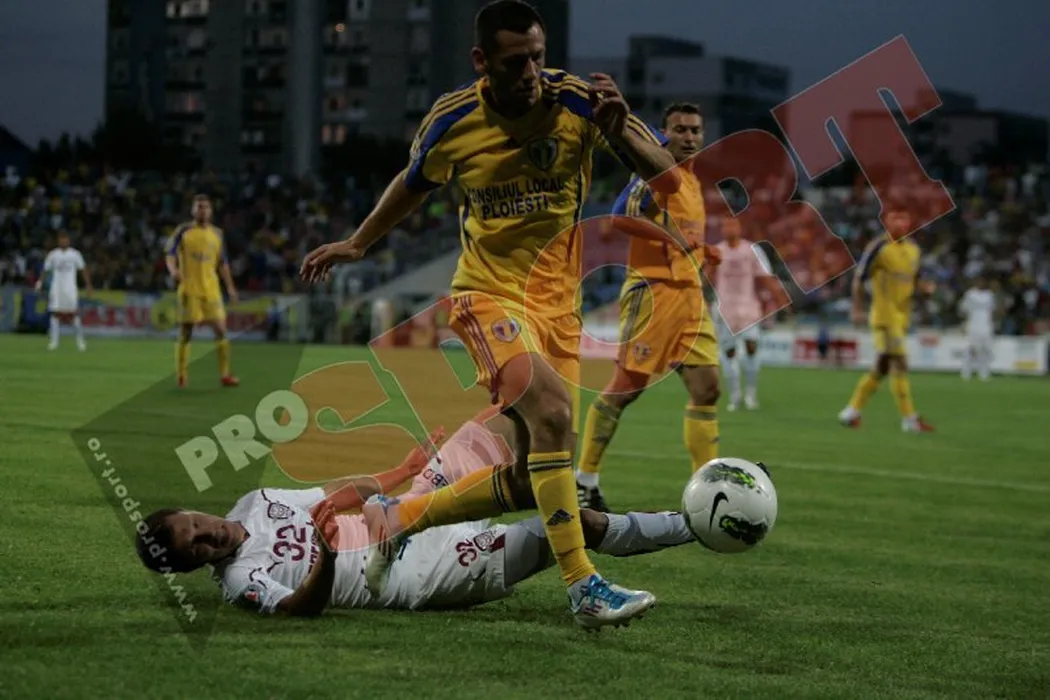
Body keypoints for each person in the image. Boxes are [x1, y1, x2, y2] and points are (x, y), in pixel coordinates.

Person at [298, 0, 678, 628]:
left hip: (559, 310)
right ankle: (584, 587)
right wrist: (359, 243)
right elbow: (412, 183)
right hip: (486, 296)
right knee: (553, 413)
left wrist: (621, 133)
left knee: (532, 479)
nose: (530, 72)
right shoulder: (453, 120)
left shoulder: (580, 103)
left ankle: (398, 518)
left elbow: (670, 179)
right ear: (482, 61)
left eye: (537, 57)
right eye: (514, 61)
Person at [135, 413, 694, 619]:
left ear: (190, 509)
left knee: (506, 420)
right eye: (196, 548)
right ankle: (694, 525)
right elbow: (300, 608)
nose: (207, 535)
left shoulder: (253, 502)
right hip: (419, 573)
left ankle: (552, 481)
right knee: (572, 524)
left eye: (195, 525)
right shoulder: (241, 580)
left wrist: (401, 471)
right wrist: (326, 557)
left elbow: (332, 493)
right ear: (194, 566)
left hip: (402, 515)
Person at [575, 102, 720, 513]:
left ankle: (706, 487)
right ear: (664, 132)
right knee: (627, 387)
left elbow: (681, 232)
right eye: (680, 129)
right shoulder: (656, 172)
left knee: (707, 388)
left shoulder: (692, 180)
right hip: (653, 292)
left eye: (695, 130)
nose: (689, 137)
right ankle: (584, 479)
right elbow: (620, 216)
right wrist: (671, 239)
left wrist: (703, 250)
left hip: (690, 295)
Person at [838, 205, 934, 432]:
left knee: (882, 367)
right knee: (900, 363)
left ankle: (851, 411)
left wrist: (925, 290)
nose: (900, 223)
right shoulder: (878, 247)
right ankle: (909, 419)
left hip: (902, 317)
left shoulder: (914, 250)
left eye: (904, 218)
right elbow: (859, 278)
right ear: (886, 222)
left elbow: (915, 281)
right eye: (894, 218)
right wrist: (857, 308)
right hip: (884, 316)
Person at [711, 218, 790, 411]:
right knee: (729, 352)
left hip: (748, 307)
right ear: (722, 229)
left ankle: (751, 394)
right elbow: (707, 276)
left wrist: (780, 301)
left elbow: (766, 277)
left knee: (751, 347)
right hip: (724, 309)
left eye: (733, 225)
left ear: (740, 228)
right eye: (726, 226)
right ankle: (735, 396)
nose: (729, 229)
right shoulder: (716, 251)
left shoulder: (752, 250)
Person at [166, 194, 240, 388]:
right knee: (186, 332)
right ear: (193, 210)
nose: (202, 210)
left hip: (211, 289)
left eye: (206, 207)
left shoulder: (217, 234)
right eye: (199, 207)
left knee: (221, 331)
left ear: (211, 211)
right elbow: (170, 255)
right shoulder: (183, 231)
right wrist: (173, 271)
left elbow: (223, 264)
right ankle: (181, 375)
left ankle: (225, 375)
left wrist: (230, 287)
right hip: (189, 289)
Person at [36, 231, 92, 351]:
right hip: (56, 288)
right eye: (61, 239)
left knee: (73, 314)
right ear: (58, 241)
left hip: (70, 288)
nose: (63, 241)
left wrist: (88, 285)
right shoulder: (53, 255)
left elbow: (83, 269)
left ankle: (80, 342)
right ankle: (54, 342)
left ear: (69, 240)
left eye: (65, 239)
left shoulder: (75, 254)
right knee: (55, 314)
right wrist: (39, 282)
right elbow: (46, 270)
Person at [958, 275, 997, 381]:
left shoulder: (989, 295)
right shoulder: (970, 294)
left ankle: (984, 373)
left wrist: (992, 323)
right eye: (978, 281)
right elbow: (963, 309)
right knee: (970, 349)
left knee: (985, 349)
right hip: (973, 325)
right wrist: (965, 323)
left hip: (986, 326)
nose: (980, 284)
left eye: (982, 282)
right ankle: (966, 372)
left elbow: (993, 310)